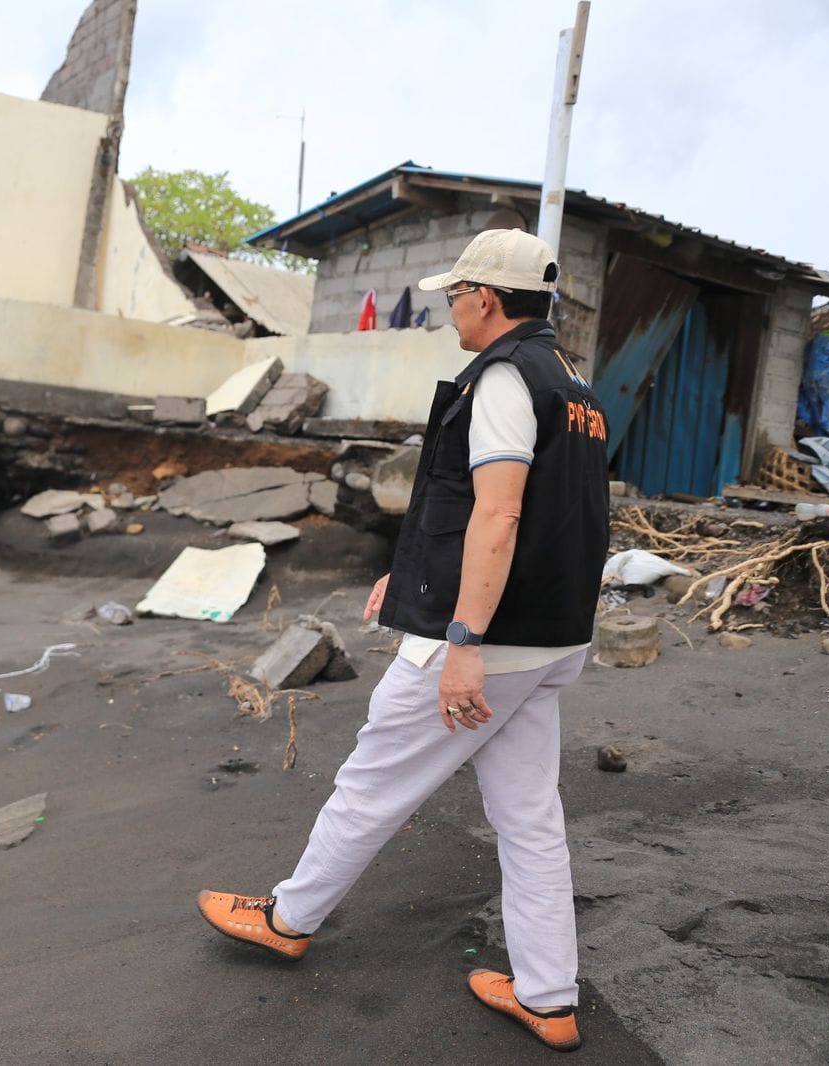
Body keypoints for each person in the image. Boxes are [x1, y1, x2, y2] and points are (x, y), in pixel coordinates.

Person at [197, 229, 610, 1053]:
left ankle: (288, 918)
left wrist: (463, 640)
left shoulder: (503, 378)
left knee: (373, 781)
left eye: (455, 294)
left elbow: (500, 514)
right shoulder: (575, 387)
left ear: (485, 298)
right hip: (551, 638)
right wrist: (413, 573)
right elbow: (534, 515)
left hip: (489, 642)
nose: (450, 308)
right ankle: (548, 996)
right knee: (530, 819)